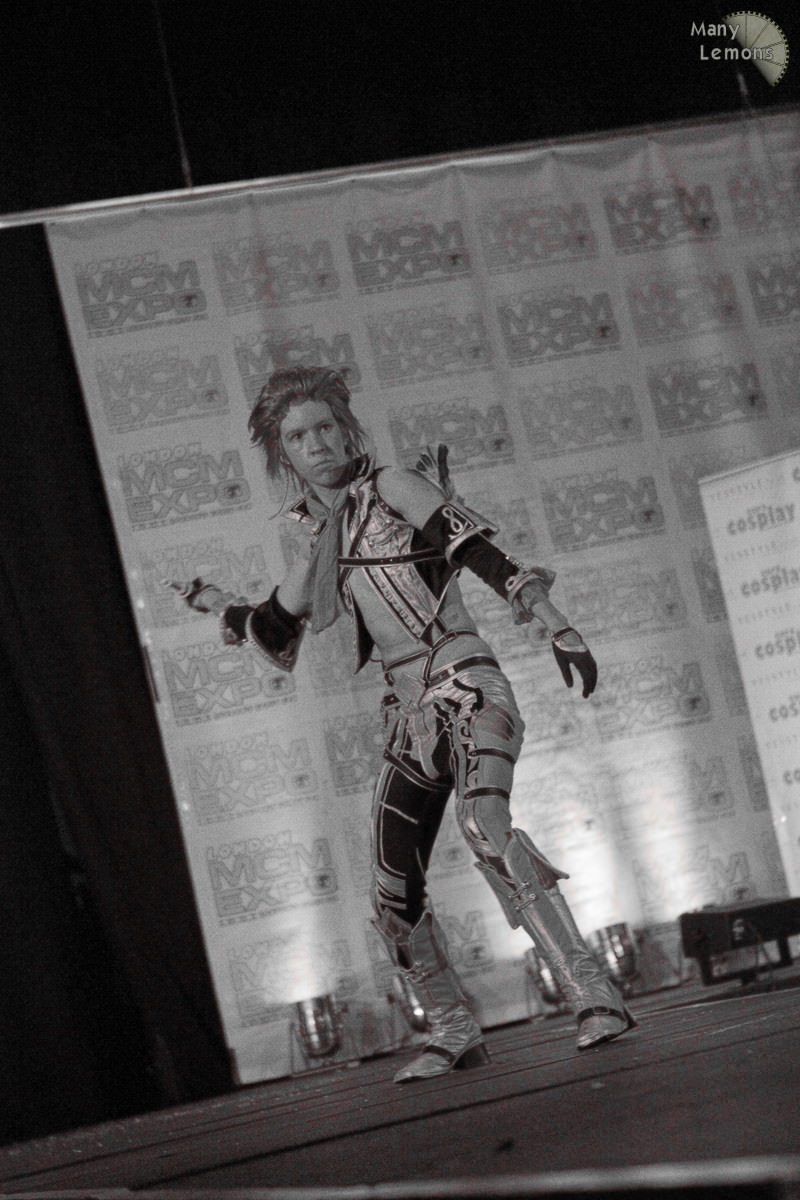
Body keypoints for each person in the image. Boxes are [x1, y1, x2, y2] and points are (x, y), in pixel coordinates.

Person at [173, 365, 635, 1084]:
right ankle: (453, 1029)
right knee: (391, 893)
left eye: (326, 427)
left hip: (468, 685)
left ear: (346, 428)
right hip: (407, 715)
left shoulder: (393, 486)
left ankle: (594, 994)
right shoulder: (320, 543)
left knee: (485, 826)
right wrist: (212, 603)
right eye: (298, 436)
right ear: (282, 454)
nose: (317, 444)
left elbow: (475, 550)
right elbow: (271, 621)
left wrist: (557, 623)